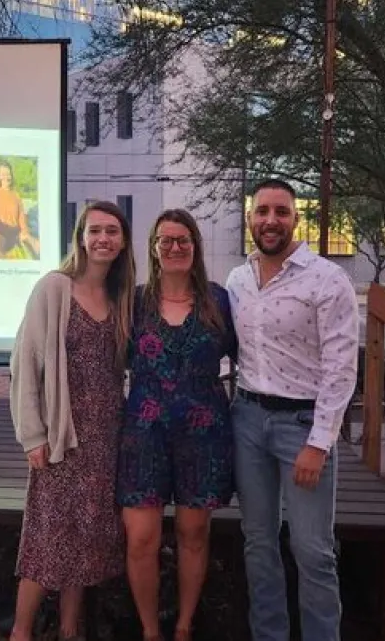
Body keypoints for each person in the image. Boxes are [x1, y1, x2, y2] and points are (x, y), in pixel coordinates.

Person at [225, 179, 359, 641]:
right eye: (262, 211)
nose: (270, 221)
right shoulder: (238, 279)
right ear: (250, 218)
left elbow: (341, 369)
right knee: (258, 544)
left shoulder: (327, 279)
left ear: (295, 219)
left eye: (281, 212)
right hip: (246, 420)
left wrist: (320, 443)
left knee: (313, 550)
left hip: (301, 427)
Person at [8, 200, 136, 641]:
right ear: (80, 237)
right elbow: (25, 363)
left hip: (105, 439)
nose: (103, 238)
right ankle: (21, 633)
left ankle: (69, 631)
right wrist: (33, 435)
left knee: (85, 543)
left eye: (112, 231)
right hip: (63, 437)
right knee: (47, 542)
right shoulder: (54, 288)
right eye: (95, 230)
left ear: (122, 242)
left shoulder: (120, 296)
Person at [117, 209, 237, 641]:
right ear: (153, 248)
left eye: (183, 239)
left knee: (193, 533)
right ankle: (150, 631)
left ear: (196, 247)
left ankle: (184, 626)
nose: (175, 247)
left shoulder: (219, 301)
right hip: (143, 437)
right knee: (142, 539)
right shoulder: (132, 302)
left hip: (203, 437)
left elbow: (250, 360)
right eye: (165, 240)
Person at [0, 160, 40, 260]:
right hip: (0, 233)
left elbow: (21, 216)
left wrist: (25, 232)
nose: (6, 177)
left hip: (15, 234)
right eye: (3, 174)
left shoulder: (16, 195)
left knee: (35, 243)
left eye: (8, 174)